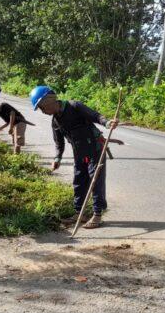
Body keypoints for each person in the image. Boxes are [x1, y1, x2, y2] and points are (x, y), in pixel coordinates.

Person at [30, 85, 118, 229]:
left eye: (41, 107)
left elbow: (96, 116)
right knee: (79, 181)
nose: (42, 111)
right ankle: (79, 213)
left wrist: (107, 123)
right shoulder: (55, 121)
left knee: (95, 180)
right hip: (79, 152)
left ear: (49, 100)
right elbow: (59, 143)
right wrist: (57, 159)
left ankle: (97, 214)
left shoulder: (74, 106)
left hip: (95, 148)